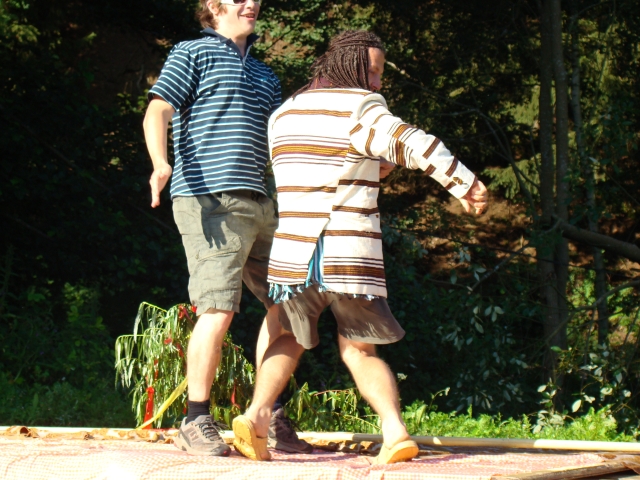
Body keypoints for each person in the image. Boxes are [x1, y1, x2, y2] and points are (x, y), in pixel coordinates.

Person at [231, 30, 489, 463]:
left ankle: (256, 417)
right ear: (349, 66)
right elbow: (412, 142)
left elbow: (317, 163)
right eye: (372, 71)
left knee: (286, 336)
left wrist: (372, 165)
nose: (377, 82)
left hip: (293, 255)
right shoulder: (361, 106)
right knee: (359, 349)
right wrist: (465, 183)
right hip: (345, 252)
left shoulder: (284, 113)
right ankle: (395, 431)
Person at [143, 0, 312, 456]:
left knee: (291, 303)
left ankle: (263, 415)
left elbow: (282, 143)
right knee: (218, 307)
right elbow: (158, 110)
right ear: (212, 5)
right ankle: (195, 419)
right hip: (210, 199)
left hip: (261, 202)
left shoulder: (265, 75)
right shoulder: (192, 52)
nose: (251, 3)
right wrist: (160, 163)